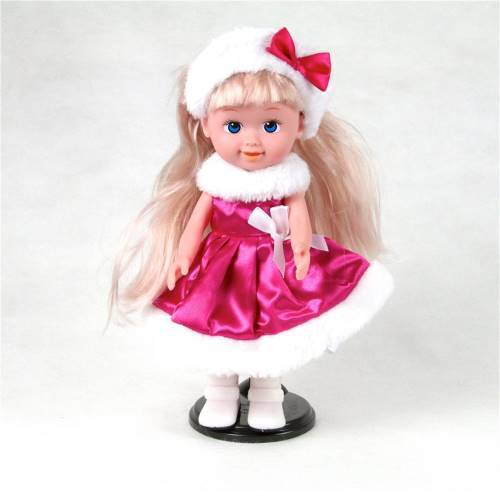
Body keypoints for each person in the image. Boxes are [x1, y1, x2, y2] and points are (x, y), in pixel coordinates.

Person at [108, 26, 394, 431]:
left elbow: (299, 218)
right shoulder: (215, 180)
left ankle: (266, 394)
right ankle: (220, 392)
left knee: (275, 332)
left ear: (299, 125)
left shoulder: (288, 179)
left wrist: (300, 251)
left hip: (273, 266)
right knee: (216, 328)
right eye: (234, 126)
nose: (253, 142)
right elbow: (197, 222)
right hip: (221, 270)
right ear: (206, 125)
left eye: (271, 125)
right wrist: (183, 256)